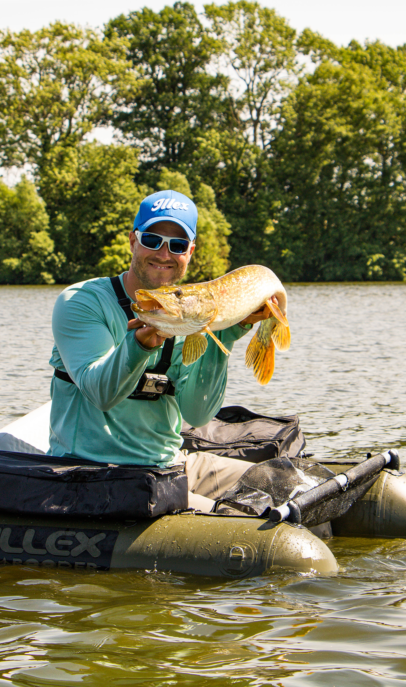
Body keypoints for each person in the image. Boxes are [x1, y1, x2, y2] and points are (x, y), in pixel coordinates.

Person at [48, 189, 268, 511]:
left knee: (283, 486)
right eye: (153, 240)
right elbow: (101, 394)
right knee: (248, 518)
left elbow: (197, 413)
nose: (164, 254)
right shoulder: (81, 302)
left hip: (169, 467)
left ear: (190, 252)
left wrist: (230, 332)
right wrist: (139, 346)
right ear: (133, 241)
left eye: (177, 246)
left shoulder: (188, 313)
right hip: (96, 475)